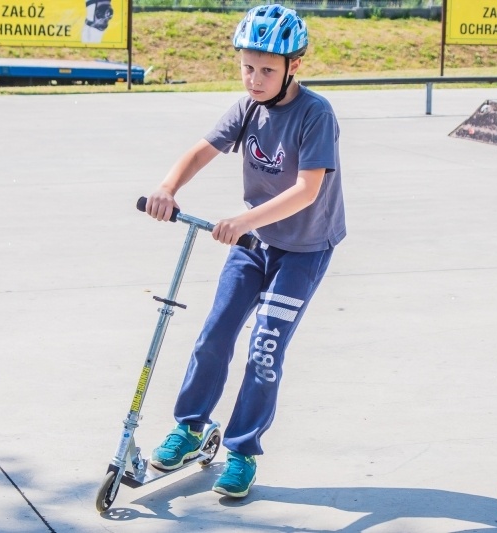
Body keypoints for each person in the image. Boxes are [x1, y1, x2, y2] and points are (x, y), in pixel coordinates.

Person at [143, 4, 346, 498]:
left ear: (294, 66)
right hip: (254, 244)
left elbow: (306, 190)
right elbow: (202, 150)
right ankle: (191, 429)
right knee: (215, 334)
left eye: (267, 70)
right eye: (248, 67)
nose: (254, 79)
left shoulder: (315, 114)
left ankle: (242, 450)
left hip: (302, 250)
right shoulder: (246, 108)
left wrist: (243, 220)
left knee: (265, 349)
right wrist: (167, 187)